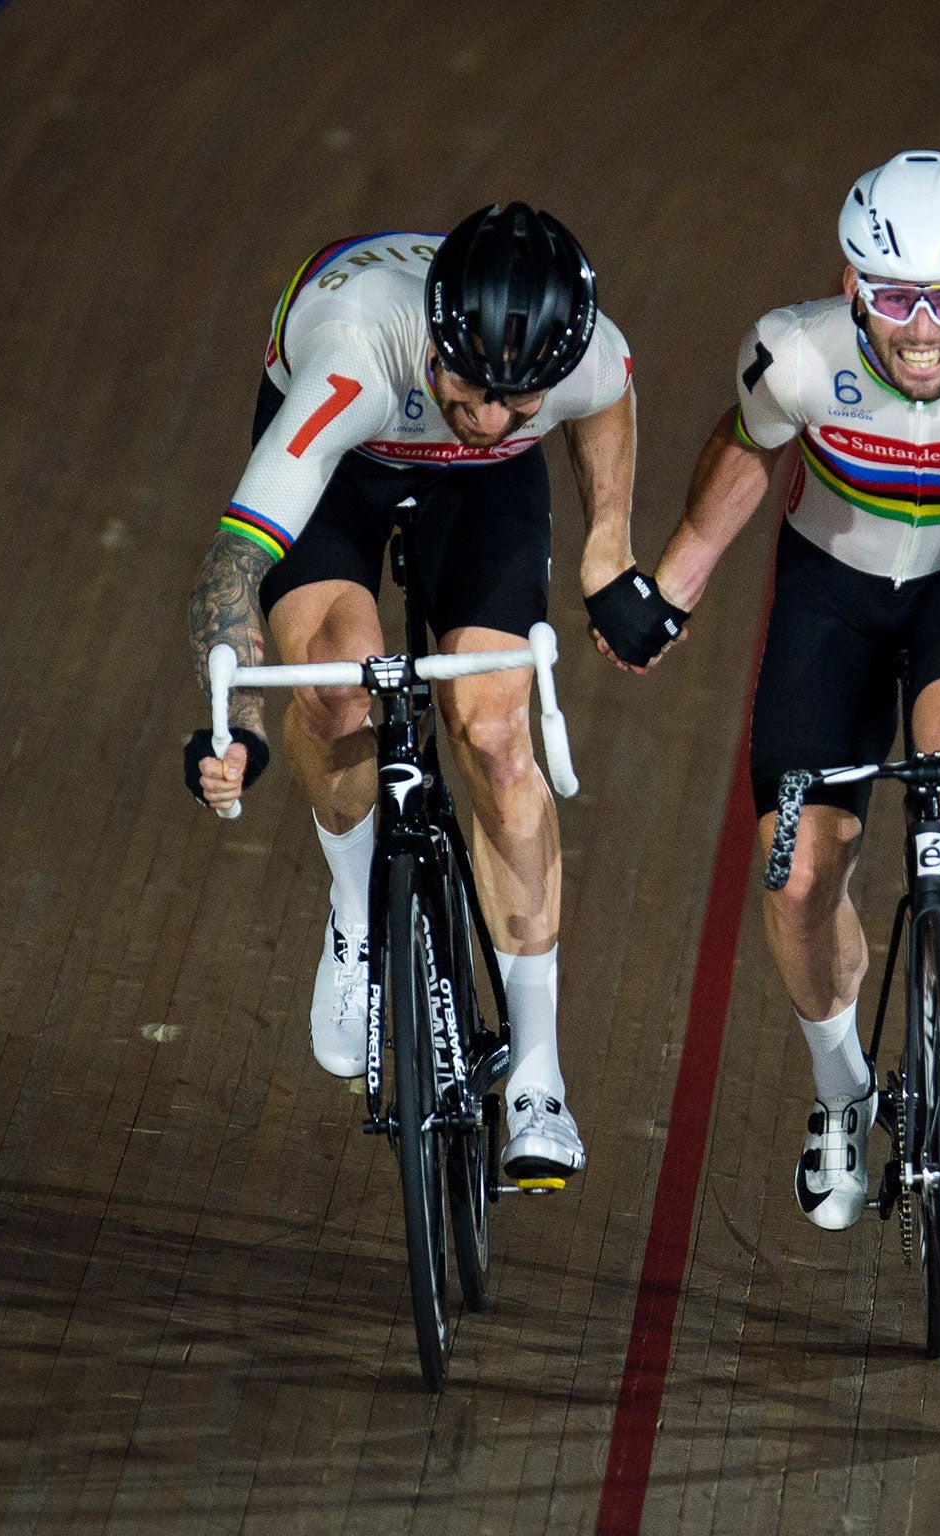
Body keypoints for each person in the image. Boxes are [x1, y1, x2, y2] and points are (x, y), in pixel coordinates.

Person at [644, 151, 940, 1228]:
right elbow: (747, 444)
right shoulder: (793, 350)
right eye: (892, 292)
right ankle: (840, 1091)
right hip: (833, 595)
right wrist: (672, 585)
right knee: (798, 876)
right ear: (849, 281)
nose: (917, 325)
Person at [182, 205, 685, 1179]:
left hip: (483, 493)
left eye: (521, 402)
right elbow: (232, 566)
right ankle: (356, 922)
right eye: (473, 387)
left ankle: (538, 1073)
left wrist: (607, 550)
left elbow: (609, 393)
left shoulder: (574, 363)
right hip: (346, 465)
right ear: (437, 341)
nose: (493, 416)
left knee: (499, 741)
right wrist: (236, 720)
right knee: (334, 693)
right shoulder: (353, 354)